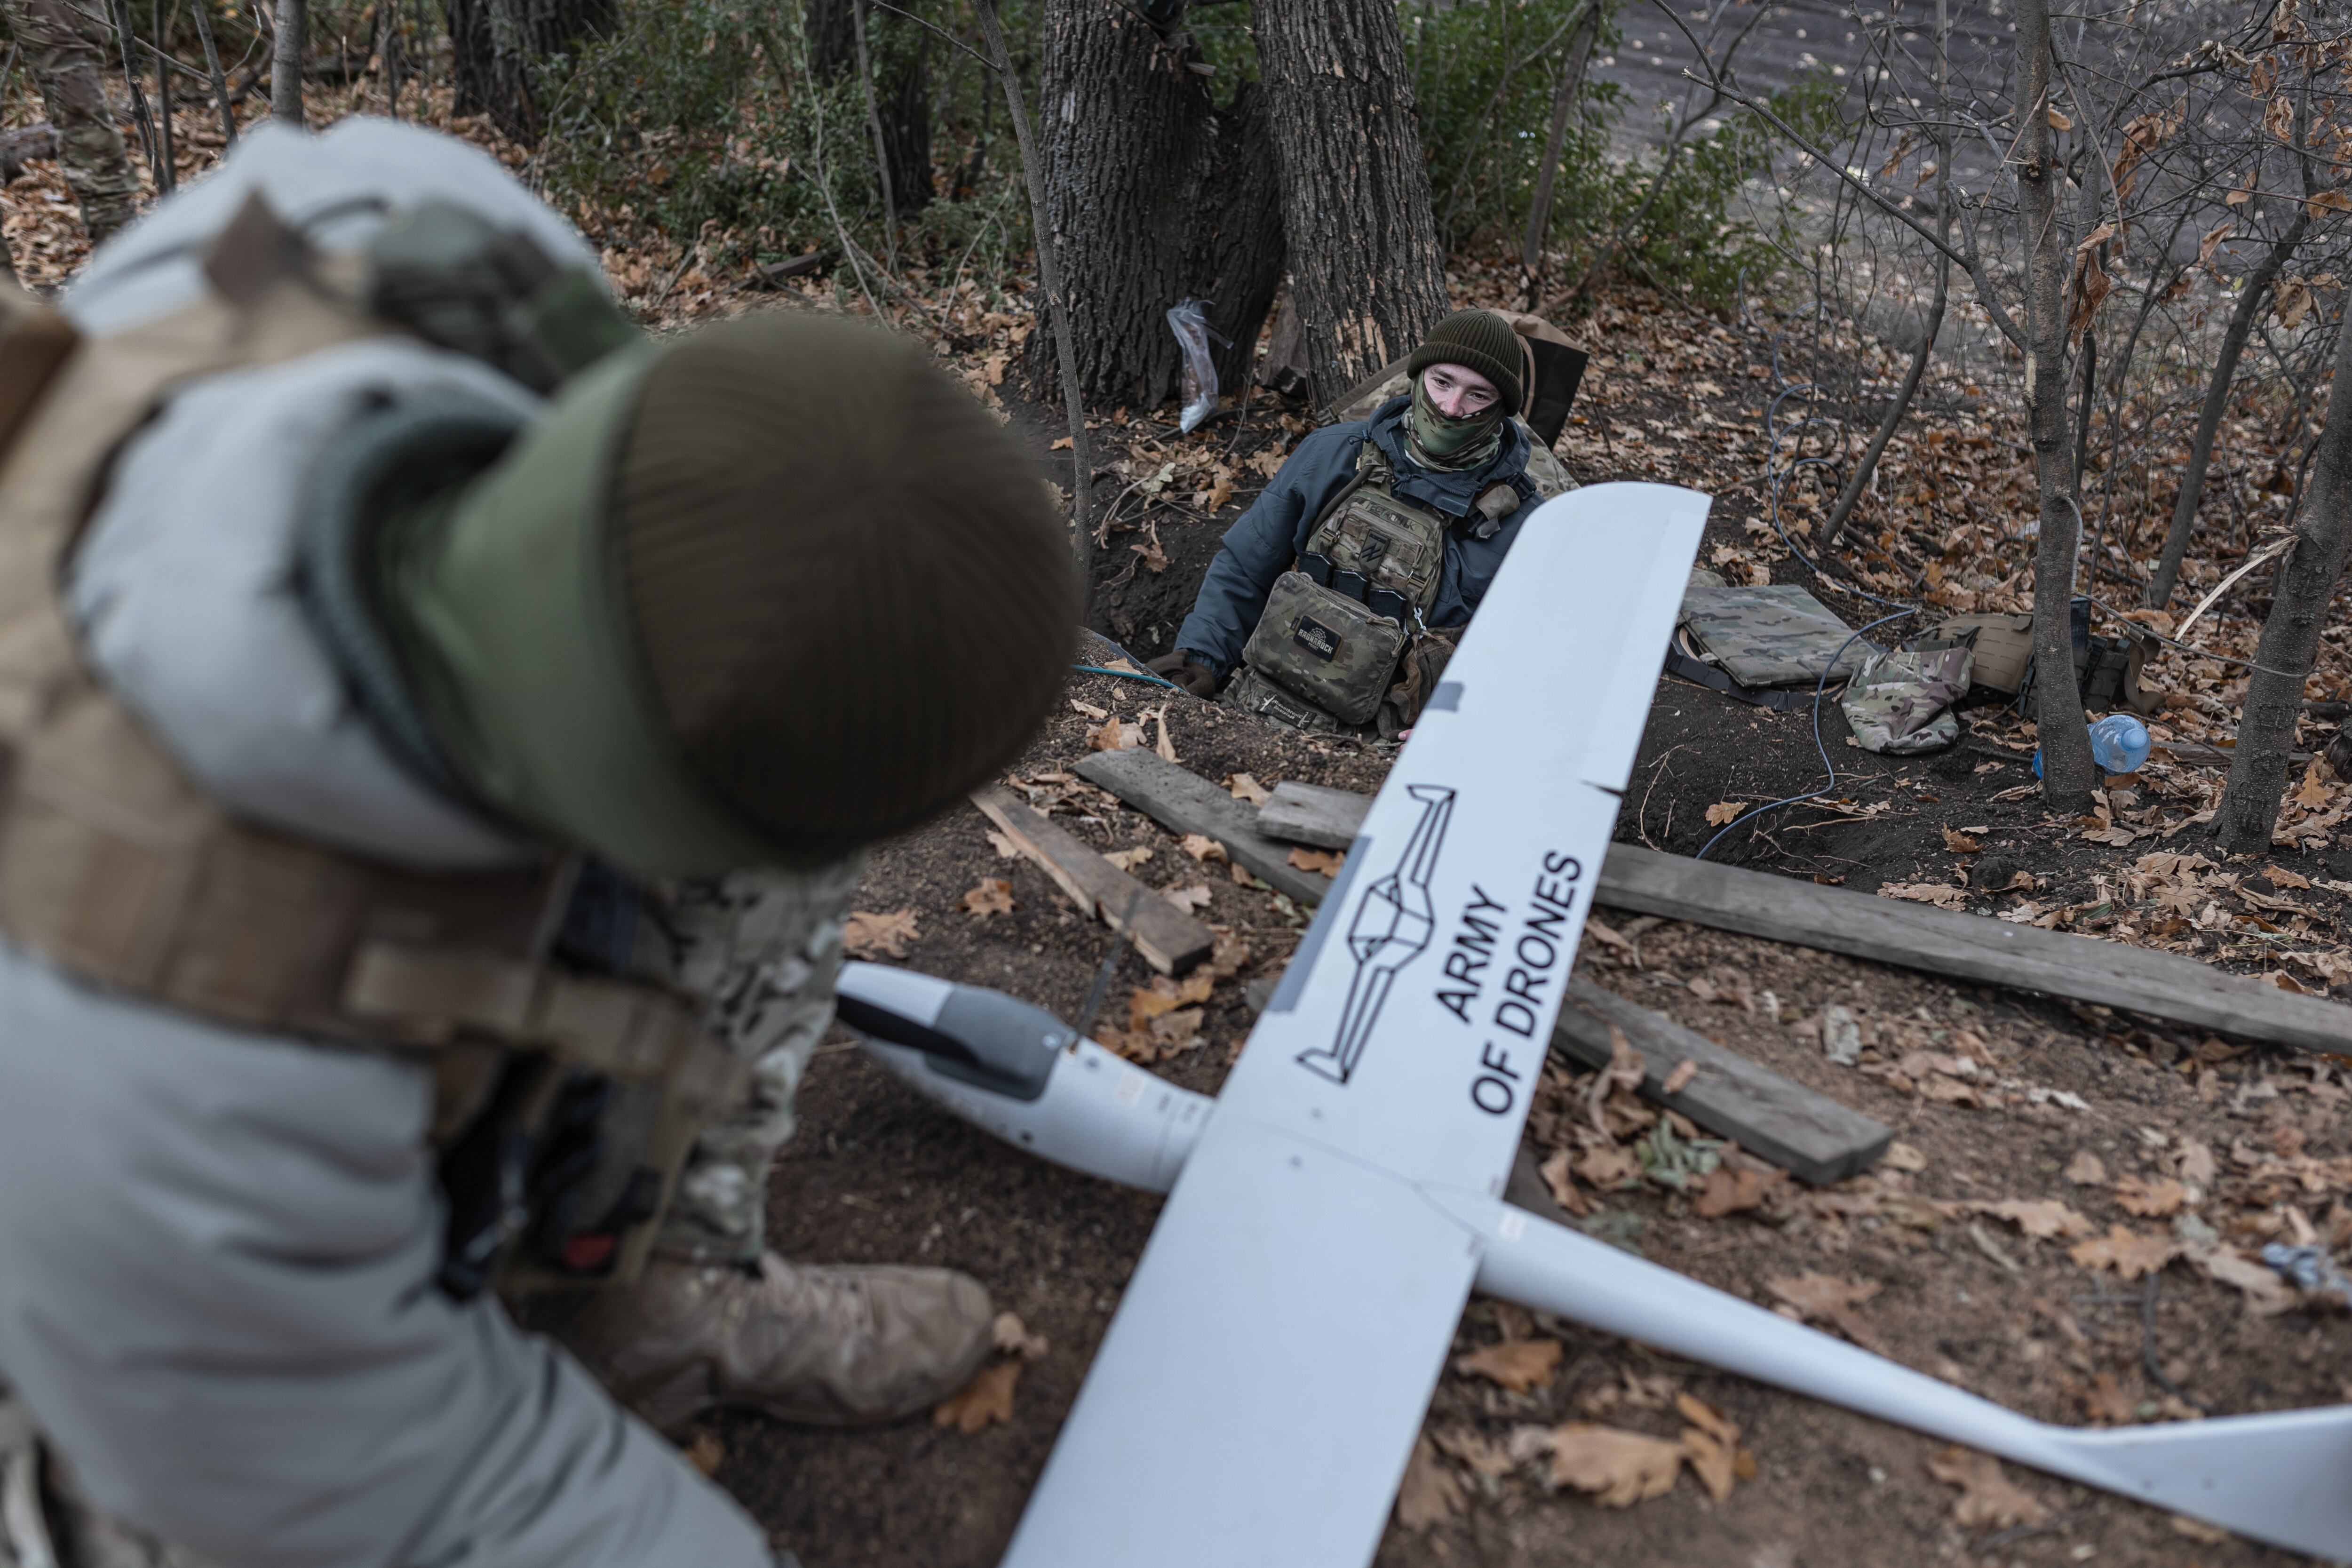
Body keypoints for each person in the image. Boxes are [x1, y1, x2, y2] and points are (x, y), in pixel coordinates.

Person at [0, 118, 1075, 1568]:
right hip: (107, 1273)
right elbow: (414, 1489)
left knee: (762, 854)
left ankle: (640, 1299)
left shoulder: (403, 228)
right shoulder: (168, 1089)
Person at [1149, 308, 1560, 735]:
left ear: (1501, 409)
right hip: (1259, 703)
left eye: (1478, 395)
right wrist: (1201, 660)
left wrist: (1454, 732)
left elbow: (1517, 663)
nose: (1451, 408)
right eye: (1442, 382)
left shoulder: (1527, 528)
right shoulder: (1334, 454)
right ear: (1419, 377)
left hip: (1386, 750)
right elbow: (1244, 569)